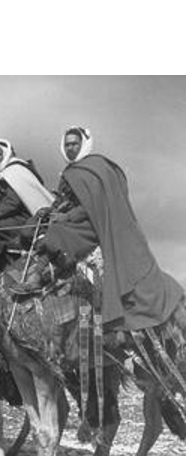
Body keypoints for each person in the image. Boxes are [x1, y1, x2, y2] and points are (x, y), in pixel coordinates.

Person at [13, 126, 183, 332]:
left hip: (94, 223)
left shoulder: (96, 168)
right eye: (67, 145)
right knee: (34, 228)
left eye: (75, 144)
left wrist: (67, 216)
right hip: (74, 220)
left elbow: (95, 204)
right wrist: (50, 211)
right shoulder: (69, 172)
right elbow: (65, 199)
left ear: (84, 143)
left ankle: (37, 276)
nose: (70, 148)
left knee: (58, 231)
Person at [0, 139, 54, 280]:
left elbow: (12, 203)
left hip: (23, 217)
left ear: (8, 152)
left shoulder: (16, 172)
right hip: (9, 216)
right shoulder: (5, 175)